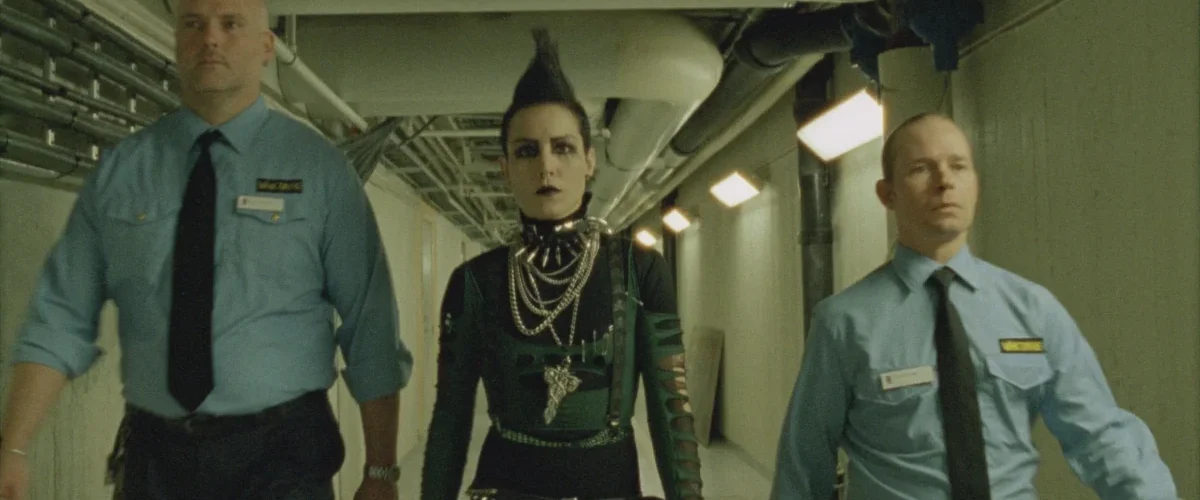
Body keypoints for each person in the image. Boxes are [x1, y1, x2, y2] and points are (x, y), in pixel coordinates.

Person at [0, 0, 412, 498]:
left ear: (266, 47)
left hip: (282, 459)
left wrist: (380, 470)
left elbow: (371, 326)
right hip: (156, 457)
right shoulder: (125, 170)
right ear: (177, 41)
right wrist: (13, 446)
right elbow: (61, 315)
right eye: (193, 24)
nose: (210, 38)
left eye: (230, 24)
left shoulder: (319, 171)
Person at [770, 112, 1178, 500]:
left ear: (976, 185)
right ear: (887, 194)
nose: (944, 181)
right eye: (920, 169)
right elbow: (805, 464)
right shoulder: (843, 322)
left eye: (958, 166)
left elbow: (1100, 434)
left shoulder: (1032, 310)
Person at [420, 30, 703, 500]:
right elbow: (450, 416)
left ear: (590, 161)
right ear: (505, 169)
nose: (546, 167)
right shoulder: (475, 281)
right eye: (527, 150)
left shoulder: (640, 270)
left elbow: (672, 411)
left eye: (563, 147)